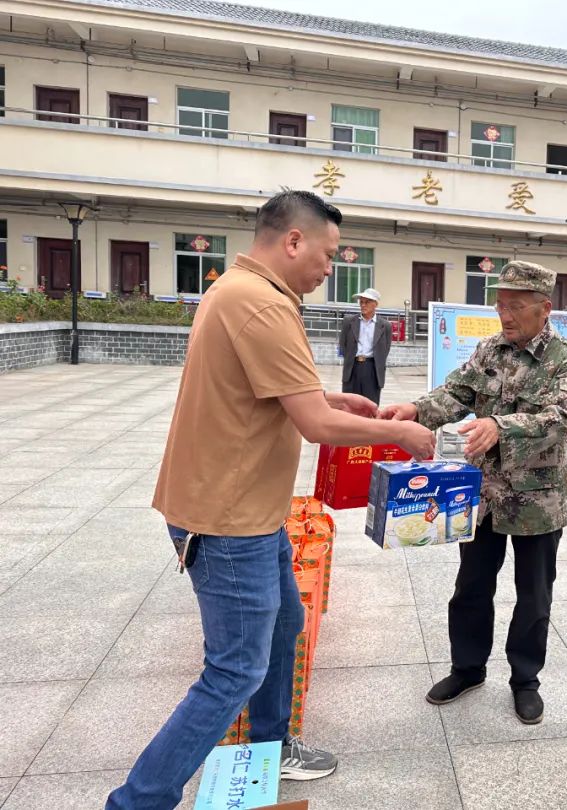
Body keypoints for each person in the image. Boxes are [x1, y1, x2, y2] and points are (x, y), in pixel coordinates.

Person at [107, 190, 435, 810]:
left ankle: (272, 742)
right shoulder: (261, 304)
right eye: (328, 255)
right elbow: (315, 426)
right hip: (229, 521)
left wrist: (331, 398)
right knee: (234, 670)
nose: (329, 269)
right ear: (293, 241)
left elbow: (270, 394)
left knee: (286, 624)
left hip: (248, 510)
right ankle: (138, 801)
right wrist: (400, 435)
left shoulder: (239, 290)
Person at [380, 261, 567, 724]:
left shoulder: (565, 359)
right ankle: (467, 669)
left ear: (544, 308)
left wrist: (500, 426)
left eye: (516, 306)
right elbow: (456, 393)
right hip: (485, 495)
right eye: (500, 305)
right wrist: (414, 409)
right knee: (471, 586)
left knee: (534, 596)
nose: (505, 315)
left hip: (538, 500)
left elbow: (560, 418)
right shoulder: (490, 349)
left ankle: (525, 680)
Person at [340, 287, 391, 404]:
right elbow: (343, 344)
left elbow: (385, 350)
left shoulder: (385, 326)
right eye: (361, 302)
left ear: (375, 304)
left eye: (367, 302)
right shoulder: (349, 321)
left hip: (372, 368)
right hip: (352, 367)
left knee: (370, 405)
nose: (363, 305)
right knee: (350, 405)